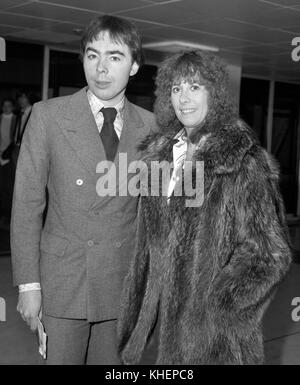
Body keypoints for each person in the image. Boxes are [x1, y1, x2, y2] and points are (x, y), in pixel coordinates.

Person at [118, 51, 292, 365]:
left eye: (194, 87)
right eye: (176, 89)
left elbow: (270, 254)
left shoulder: (244, 163)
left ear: (214, 93)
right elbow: (151, 243)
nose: (184, 98)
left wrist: (217, 307)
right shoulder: (160, 159)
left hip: (213, 343)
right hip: (156, 331)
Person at [11, 15, 157, 365]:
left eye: (115, 57)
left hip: (121, 284)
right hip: (64, 282)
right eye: (92, 55)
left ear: (134, 65)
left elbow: (154, 213)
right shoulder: (48, 117)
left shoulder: (151, 127)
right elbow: (27, 205)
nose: (101, 68)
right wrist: (29, 285)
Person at [0, 98, 16, 227]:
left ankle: (8, 215)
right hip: (0, 154)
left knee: (8, 186)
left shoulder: (16, 119)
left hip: (9, 156)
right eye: (4, 105)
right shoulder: (1, 118)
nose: (6, 108)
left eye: (9, 105)